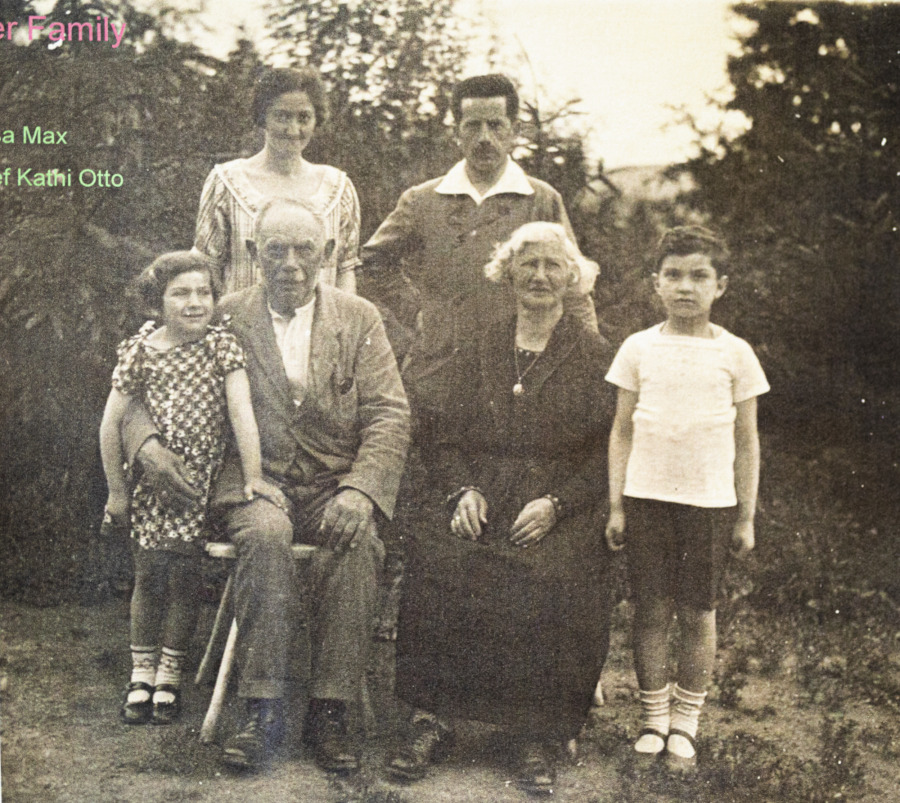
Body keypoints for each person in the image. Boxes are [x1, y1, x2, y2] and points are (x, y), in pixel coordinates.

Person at [120, 199, 410, 774]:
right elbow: (144, 380)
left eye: (305, 250)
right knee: (266, 539)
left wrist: (361, 490)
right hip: (254, 481)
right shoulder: (223, 313)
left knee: (357, 545)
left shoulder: (360, 318)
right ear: (254, 254)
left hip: (334, 482)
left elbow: (389, 413)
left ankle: (329, 707)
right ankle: (262, 705)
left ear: (327, 255)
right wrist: (146, 442)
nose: (291, 264)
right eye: (275, 250)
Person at [386, 222, 616, 796]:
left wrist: (558, 504)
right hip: (482, 491)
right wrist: (462, 488)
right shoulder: (481, 343)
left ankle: (531, 731)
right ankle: (431, 719)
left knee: (551, 573)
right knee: (442, 556)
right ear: (508, 272)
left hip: (555, 499)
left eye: (552, 266)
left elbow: (608, 451)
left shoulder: (593, 356)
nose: (539, 276)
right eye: (528, 264)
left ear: (572, 278)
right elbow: (441, 435)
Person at [604, 226, 769, 773]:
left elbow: (747, 439)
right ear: (656, 283)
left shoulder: (736, 354)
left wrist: (745, 514)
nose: (685, 287)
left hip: (709, 504)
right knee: (650, 609)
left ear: (720, 286)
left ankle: (686, 724)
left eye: (699, 276)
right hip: (647, 498)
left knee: (698, 612)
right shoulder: (638, 347)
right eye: (673, 275)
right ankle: (653, 719)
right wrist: (617, 505)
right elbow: (622, 429)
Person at [99, 251, 287, 727]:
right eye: (180, 293)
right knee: (148, 576)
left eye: (204, 292)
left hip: (198, 484)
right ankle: (140, 673)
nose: (194, 302)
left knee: (184, 582)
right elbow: (111, 424)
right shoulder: (140, 349)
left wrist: (253, 475)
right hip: (150, 485)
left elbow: (242, 415)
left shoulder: (221, 348)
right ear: (157, 301)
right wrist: (117, 492)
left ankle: (170, 676)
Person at [359, 73, 598, 442]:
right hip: (440, 369)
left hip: (519, 369)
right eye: (472, 126)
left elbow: (572, 279)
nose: (484, 137)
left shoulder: (540, 198)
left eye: (495, 125)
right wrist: (417, 312)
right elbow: (374, 261)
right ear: (456, 132)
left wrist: (591, 350)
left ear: (513, 131)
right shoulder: (423, 200)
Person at [194, 67, 360, 294]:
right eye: (282, 116)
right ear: (263, 118)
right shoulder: (226, 182)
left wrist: (343, 327)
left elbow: (345, 269)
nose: (293, 130)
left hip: (319, 328)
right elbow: (206, 267)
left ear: (316, 119)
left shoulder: (338, 187)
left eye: (304, 118)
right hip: (242, 326)